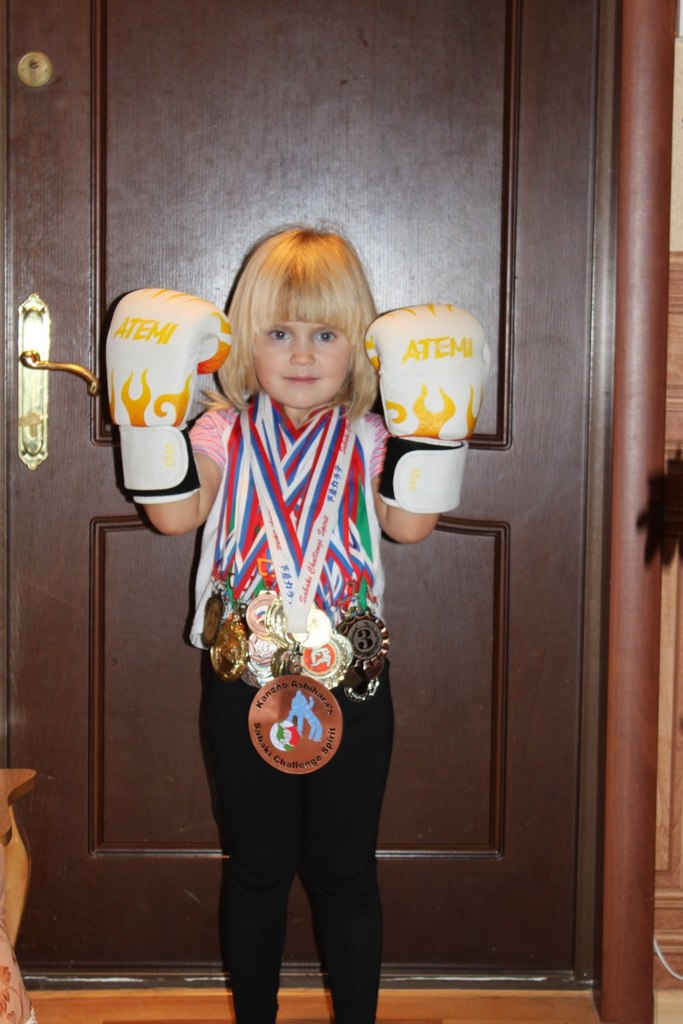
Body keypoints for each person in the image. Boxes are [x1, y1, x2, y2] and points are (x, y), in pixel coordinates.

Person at [105, 226, 489, 1024]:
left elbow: (409, 527)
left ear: (360, 346)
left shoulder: (371, 436)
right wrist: (146, 418)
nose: (303, 354)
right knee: (257, 865)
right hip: (243, 679)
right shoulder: (222, 431)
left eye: (326, 334)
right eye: (279, 333)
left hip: (352, 680)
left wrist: (433, 430)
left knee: (346, 868)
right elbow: (174, 517)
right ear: (245, 339)